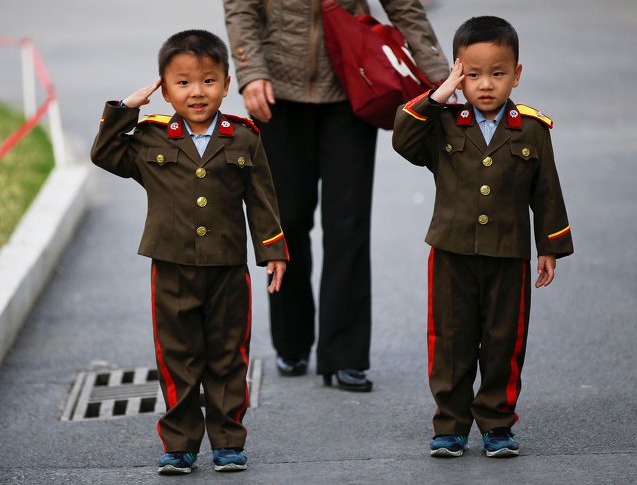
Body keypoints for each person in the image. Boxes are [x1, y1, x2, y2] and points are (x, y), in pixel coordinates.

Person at [223, 0, 450, 392]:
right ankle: (292, 340)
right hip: (278, 90)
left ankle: (345, 353)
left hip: (352, 84)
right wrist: (251, 70)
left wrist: (444, 81)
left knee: (348, 223)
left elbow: (405, 8)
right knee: (287, 220)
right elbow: (241, 9)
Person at [90, 29, 288, 475]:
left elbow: (262, 199)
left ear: (226, 82)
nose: (197, 92)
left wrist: (273, 251)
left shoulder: (243, 137)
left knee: (227, 355)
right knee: (177, 357)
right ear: (163, 86)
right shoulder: (149, 138)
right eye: (182, 82)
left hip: (227, 266)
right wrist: (126, 109)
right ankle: (179, 445)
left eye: (208, 80)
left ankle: (227, 442)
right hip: (172, 265)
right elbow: (104, 155)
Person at [392, 16, 574, 457]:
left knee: (503, 341)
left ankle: (496, 424)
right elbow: (403, 138)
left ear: (517, 74)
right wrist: (441, 93)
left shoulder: (531, 129)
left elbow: (546, 191)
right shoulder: (443, 123)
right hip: (451, 253)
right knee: (451, 340)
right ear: (458, 72)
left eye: (498, 73)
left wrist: (548, 246)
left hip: (508, 255)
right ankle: (450, 426)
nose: (486, 84)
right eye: (472, 74)